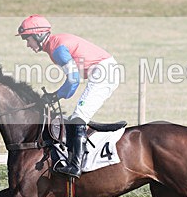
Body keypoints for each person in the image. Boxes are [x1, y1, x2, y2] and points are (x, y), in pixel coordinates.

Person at [16, 15, 119, 178]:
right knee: (77, 117)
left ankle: (75, 166)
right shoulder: (54, 45)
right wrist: (57, 95)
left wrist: (55, 96)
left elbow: (73, 81)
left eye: (27, 39)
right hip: (104, 71)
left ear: (38, 35)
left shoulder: (57, 49)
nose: (27, 44)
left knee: (79, 117)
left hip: (104, 72)